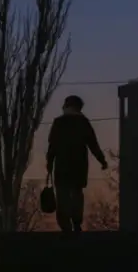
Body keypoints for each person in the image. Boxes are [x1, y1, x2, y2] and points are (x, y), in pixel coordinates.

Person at [46, 95, 108, 235]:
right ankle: (76, 223)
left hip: (61, 166)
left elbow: (52, 146)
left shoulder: (59, 123)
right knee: (77, 194)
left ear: (66, 106)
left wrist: (49, 163)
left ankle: (65, 225)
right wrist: (102, 160)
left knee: (62, 195)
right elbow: (93, 144)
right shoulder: (83, 123)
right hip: (79, 166)